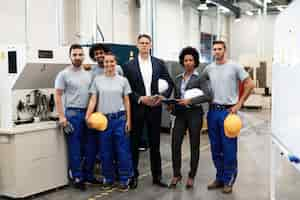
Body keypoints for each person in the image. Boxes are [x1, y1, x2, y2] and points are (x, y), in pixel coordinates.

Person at [122, 34, 174, 189]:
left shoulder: (159, 64)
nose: (144, 45)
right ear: (137, 45)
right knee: (134, 143)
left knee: (155, 143)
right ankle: (133, 176)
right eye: (141, 43)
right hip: (137, 108)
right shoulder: (128, 66)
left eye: (147, 43)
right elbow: (126, 89)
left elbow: (169, 83)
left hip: (154, 108)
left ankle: (157, 176)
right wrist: (140, 99)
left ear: (150, 45)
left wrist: (162, 97)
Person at [203, 40, 255, 193]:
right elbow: (201, 83)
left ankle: (229, 180)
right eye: (214, 49)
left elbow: (250, 84)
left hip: (228, 113)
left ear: (225, 50)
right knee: (215, 148)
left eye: (219, 49)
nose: (217, 51)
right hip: (212, 112)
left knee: (229, 149)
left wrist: (239, 103)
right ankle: (220, 177)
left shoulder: (235, 66)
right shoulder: (209, 68)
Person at [85, 52, 133, 192]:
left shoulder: (123, 81)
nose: (109, 64)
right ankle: (108, 178)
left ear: (115, 63)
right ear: (103, 63)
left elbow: (127, 101)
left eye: (112, 62)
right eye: (106, 62)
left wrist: (129, 120)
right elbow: (93, 99)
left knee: (122, 151)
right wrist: (88, 116)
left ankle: (124, 179)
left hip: (120, 119)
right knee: (105, 152)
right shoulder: (97, 80)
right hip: (103, 121)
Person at [168, 47, 212, 189]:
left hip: (194, 114)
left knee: (194, 145)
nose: (188, 62)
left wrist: (190, 101)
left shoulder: (200, 78)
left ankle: (192, 175)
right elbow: (176, 97)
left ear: (195, 62)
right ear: (182, 61)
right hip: (180, 114)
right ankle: (176, 174)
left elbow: (207, 96)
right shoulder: (177, 79)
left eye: (190, 60)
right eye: (185, 60)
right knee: (175, 144)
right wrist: (171, 105)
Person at [54, 44, 92, 190]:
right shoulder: (63, 74)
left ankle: (87, 174)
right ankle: (77, 177)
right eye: (74, 54)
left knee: (88, 147)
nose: (77, 57)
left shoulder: (88, 73)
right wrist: (62, 117)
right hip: (72, 114)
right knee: (75, 148)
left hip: (87, 114)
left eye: (80, 54)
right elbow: (57, 95)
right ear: (70, 56)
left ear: (83, 56)